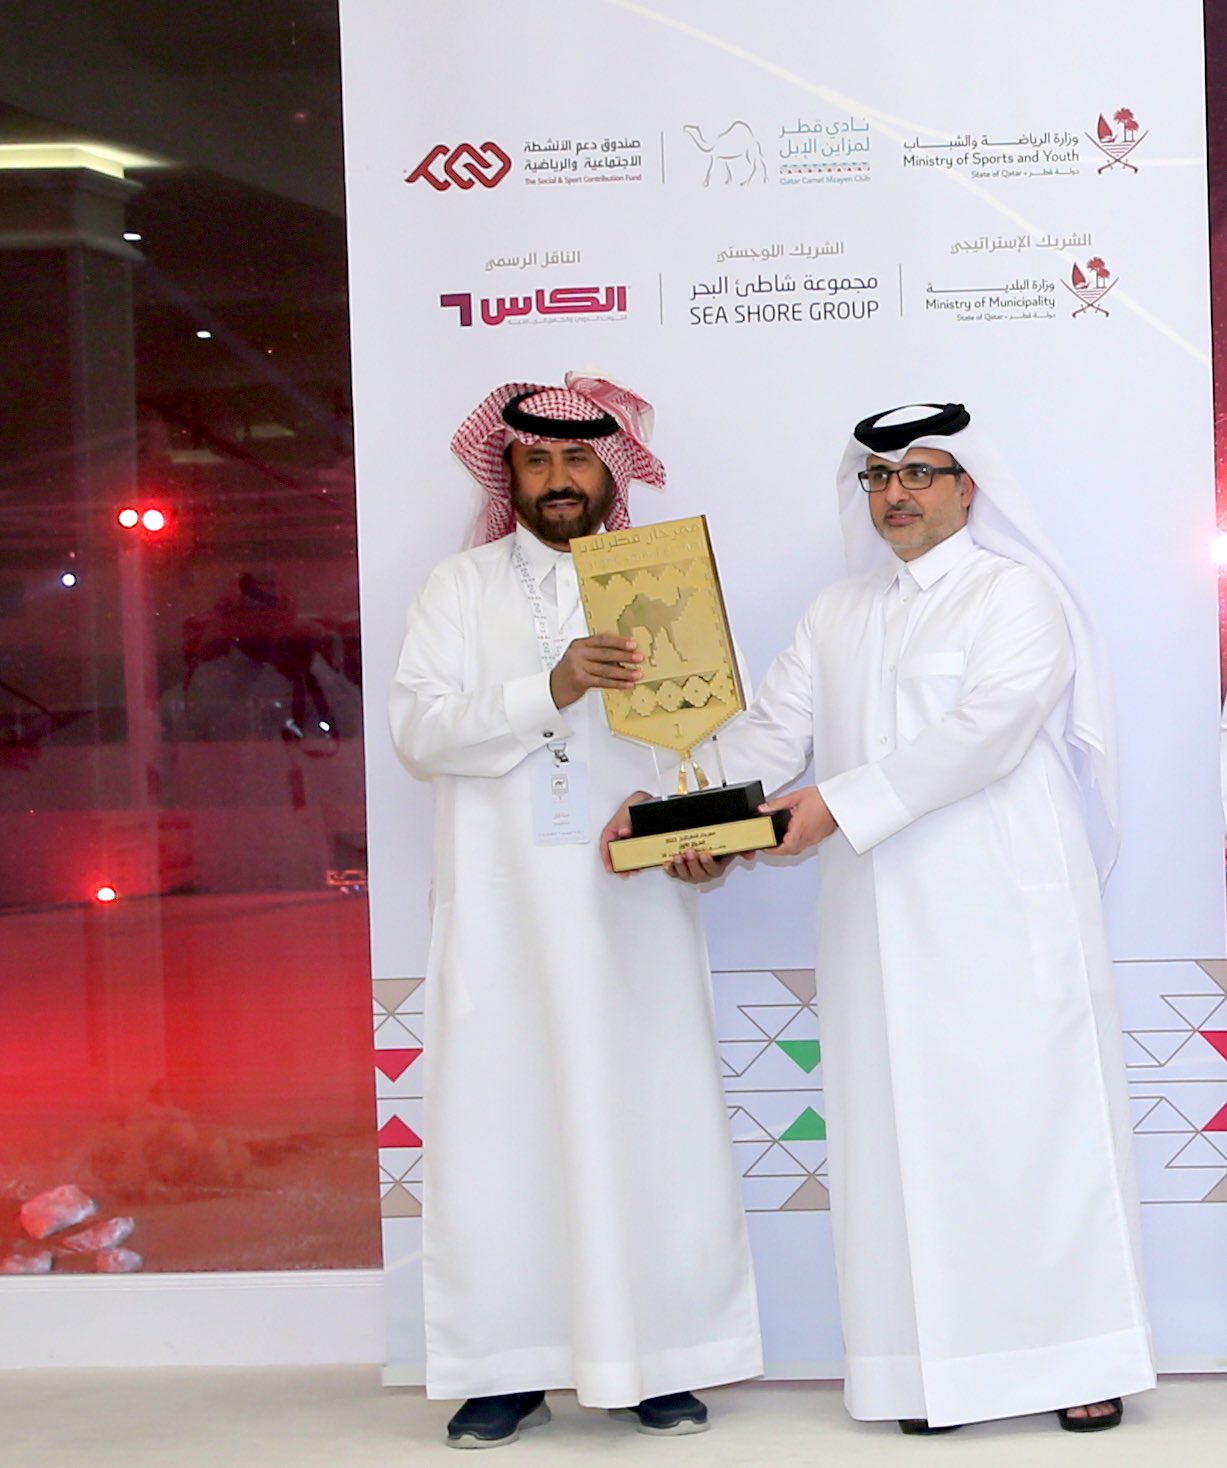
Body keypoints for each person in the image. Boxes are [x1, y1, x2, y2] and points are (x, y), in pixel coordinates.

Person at [607, 402, 1155, 1434]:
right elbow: (770, 735)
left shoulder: (1015, 595)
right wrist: (675, 808)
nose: (895, 494)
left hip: (1000, 916)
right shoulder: (838, 612)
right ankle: (924, 1374)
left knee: (1031, 1132)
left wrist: (831, 806)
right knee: (901, 1146)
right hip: (876, 923)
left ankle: (1075, 1361)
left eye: (919, 473)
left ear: (966, 487)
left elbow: (985, 734)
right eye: (878, 477)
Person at [390, 373, 762, 1450]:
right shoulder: (458, 589)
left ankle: (660, 1358)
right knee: (502, 1131)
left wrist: (705, 842)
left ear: (611, 471)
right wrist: (547, 688)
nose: (558, 478)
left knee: (650, 1123)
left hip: (628, 914)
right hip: (501, 912)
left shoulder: (661, 583)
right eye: (536, 460)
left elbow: (705, 745)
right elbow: (419, 733)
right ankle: (507, 1368)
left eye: (579, 459)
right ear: (506, 473)